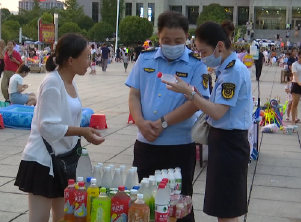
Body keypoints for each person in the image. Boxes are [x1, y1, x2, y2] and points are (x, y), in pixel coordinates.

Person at [163, 20, 252, 222]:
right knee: (224, 206)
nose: (202, 57)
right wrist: (190, 91)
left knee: (227, 209)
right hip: (223, 142)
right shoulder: (225, 69)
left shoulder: (233, 72)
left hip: (230, 143)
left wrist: (190, 94)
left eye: (203, 52)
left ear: (219, 46)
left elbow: (218, 112)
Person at [125, 11, 210, 222]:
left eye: (178, 41)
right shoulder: (145, 59)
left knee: (179, 205)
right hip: (146, 143)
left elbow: (196, 102)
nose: (172, 45)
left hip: (178, 146)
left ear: (186, 38)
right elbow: (134, 94)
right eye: (166, 40)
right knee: (145, 203)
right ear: (158, 37)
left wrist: (164, 123)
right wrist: (140, 122)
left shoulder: (196, 65)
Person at [14, 34, 105, 222]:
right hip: (43, 161)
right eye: (87, 56)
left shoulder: (70, 81)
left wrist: (82, 135)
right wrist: (83, 131)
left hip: (63, 160)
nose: (90, 61)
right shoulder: (52, 83)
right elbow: (47, 127)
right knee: (39, 218)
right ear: (71, 60)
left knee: (63, 217)